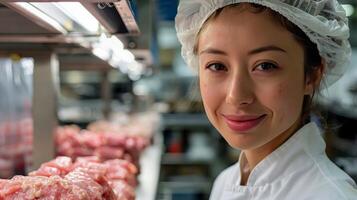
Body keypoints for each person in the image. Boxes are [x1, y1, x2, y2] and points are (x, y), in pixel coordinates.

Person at [175, 0, 357, 199]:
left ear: (312, 76)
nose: (236, 96)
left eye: (265, 66)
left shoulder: (330, 195)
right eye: (217, 66)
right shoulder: (225, 182)